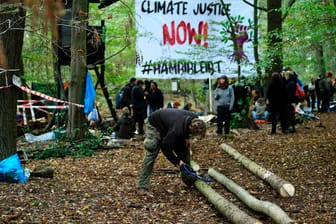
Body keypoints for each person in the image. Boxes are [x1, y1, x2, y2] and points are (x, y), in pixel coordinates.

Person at [137, 109, 206, 193]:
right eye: (193, 134)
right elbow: (165, 146)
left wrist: (187, 138)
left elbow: (185, 131)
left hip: (170, 124)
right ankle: (142, 186)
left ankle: (189, 180)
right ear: (190, 128)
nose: (194, 136)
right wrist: (177, 161)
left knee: (184, 152)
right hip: (155, 123)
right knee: (152, 150)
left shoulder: (194, 118)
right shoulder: (176, 130)